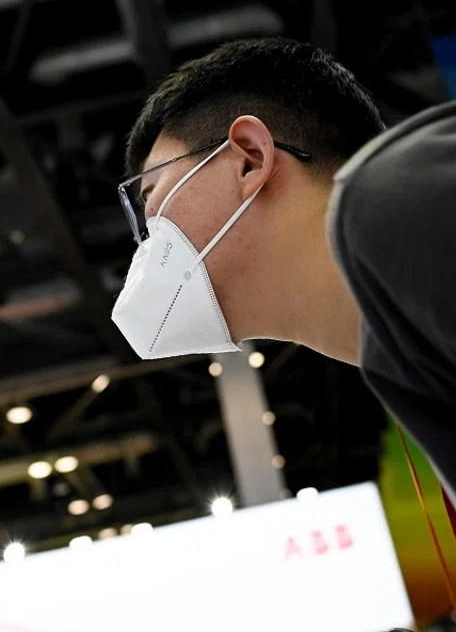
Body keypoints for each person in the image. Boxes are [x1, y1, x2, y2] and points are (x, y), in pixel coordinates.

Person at [111, 36, 456, 502]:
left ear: (249, 158)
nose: (148, 239)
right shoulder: (395, 349)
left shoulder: (392, 205)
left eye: (150, 195)